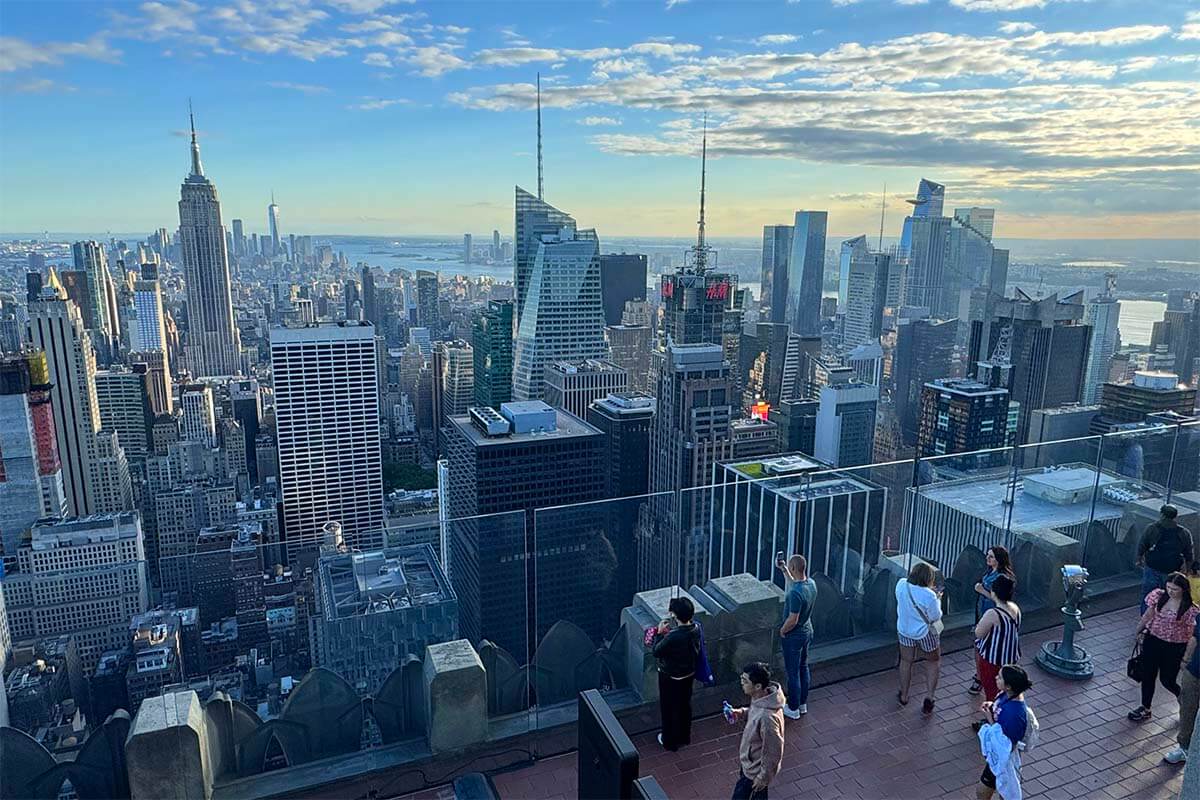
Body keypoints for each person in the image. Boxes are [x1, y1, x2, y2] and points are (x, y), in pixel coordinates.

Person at [1129, 572, 1198, 722]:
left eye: (1175, 589)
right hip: (1153, 640)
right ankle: (1145, 707)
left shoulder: (1190, 610)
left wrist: (1186, 657)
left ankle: (1184, 702)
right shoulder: (1159, 596)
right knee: (1148, 675)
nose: (1171, 591)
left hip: (1174, 647)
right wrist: (1138, 631)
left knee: (1167, 679)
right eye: (1168, 587)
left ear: (1183, 590)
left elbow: (1193, 634)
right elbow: (1148, 615)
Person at [728, 662, 785, 800]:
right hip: (750, 764)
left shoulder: (767, 718)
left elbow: (774, 750)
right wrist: (741, 712)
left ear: (758, 686)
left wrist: (763, 778)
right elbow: (755, 712)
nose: (742, 683)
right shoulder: (762, 699)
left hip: (755, 772)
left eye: (745, 681)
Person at [977, 664, 1034, 800]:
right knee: (1000, 791)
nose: (996, 677)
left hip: (1003, 759)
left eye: (1000, 677)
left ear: (1008, 686)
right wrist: (992, 706)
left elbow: (1008, 744)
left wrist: (990, 719)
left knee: (986, 792)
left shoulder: (1015, 714)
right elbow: (1001, 707)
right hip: (998, 757)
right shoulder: (1007, 695)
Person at [652, 596, 701, 750]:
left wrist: (659, 633)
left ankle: (669, 741)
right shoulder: (696, 628)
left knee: (668, 707)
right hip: (689, 673)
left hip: (671, 676)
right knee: (684, 705)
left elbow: (656, 651)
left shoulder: (674, 636)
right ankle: (684, 736)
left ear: (674, 615)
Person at [896, 561, 944, 714]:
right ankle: (929, 697)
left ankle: (904, 695)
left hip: (904, 629)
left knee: (906, 661)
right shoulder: (929, 595)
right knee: (933, 660)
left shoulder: (901, 584)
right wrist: (938, 598)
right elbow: (935, 616)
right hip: (924, 632)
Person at [776, 553, 817, 719]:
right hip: (807, 630)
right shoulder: (811, 584)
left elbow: (793, 619)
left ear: (795, 568)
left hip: (794, 635)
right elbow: (795, 585)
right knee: (803, 667)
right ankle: (802, 704)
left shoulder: (795, 594)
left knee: (792, 672)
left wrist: (782, 630)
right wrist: (784, 569)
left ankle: (792, 708)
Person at [970, 546, 1015, 694]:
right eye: (987, 556)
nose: (987, 559)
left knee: (981, 646)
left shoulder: (1002, 578)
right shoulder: (991, 572)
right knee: (979, 647)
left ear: (999, 560)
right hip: (982, 612)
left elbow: (1000, 600)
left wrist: (982, 590)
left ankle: (981, 677)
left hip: (991, 615)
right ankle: (981, 675)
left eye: (991, 557)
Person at [1164, 588, 1200, 764]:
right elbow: (1195, 638)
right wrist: (1185, 661)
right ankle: (1184, 746)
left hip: (1194, 669)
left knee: (1189, 708)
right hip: (1195, 671)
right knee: (1187, 708)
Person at [974, 574, 1022, 706]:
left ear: (994, 593)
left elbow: (979, 633)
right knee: (1008, 690)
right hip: (1011, 656)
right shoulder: (1015, 608)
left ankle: (993, 717)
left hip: (992, 659)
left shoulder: (993, 613)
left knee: (991, 691)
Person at [1137, 505, 1195, 613]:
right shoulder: (1183, 532)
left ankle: (1146, 619)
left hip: (1152, 566)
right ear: (1175, 516)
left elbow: (1142, 544)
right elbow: (1189, 552)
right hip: (1172, 570)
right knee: (1168, 595)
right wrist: (1187, 568)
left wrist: (1139, 558)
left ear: (1162, 515)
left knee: (1148, 594)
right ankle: (1162, 617)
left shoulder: (1152, 528)